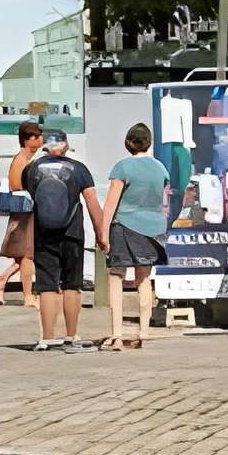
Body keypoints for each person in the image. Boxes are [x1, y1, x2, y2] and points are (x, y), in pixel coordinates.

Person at [22, 126, 103, 350]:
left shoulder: (31, 170)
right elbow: (92, 203)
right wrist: (101, 233)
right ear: (65, 145)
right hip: (72, 233)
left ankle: (47, 338)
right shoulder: (78, 169)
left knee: (47, 286)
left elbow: (32, 198)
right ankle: (71, 335)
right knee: (71, 285)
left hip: (43, 233)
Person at [100, 121, 172, 351]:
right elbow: (164, 202)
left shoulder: (122, 167)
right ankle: (144, 330)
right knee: (144, 279)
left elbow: (111, 203)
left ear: (128, 143)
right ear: (149, 143)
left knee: (116, 277)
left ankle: (117, 334)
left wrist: (103, 232)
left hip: (124, 224)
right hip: (153, 228)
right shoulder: (161, 168)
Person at [0, 117, 45, 306]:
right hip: (24, 212)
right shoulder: (21, 159)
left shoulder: (29, 159)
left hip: (29, 211)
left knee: (25, 256)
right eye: (37, 136)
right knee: (27, 255)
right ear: (28, 139)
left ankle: (1, 280)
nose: (41, 139)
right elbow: (15, 185)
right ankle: (28, 296)